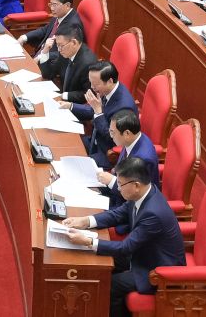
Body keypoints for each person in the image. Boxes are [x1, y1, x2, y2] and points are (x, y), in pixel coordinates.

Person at [61, 156, 186, 315]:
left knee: (112, 284)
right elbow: (117, 215)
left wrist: (88, 241)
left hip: (157, 269)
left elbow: (125, 247)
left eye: (120, 184)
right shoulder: (143, 193)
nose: (118, 188)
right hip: (142, 253)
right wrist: (85, 221)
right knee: (97, 262)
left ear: (136, 185)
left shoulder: (153, 213)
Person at [69, 60, 137, 164]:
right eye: (90, 82)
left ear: (109, 81)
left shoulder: (124, 107)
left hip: (107, 153)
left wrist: (98, 112)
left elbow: (113, 138)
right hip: (95, 140)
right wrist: (70, 106)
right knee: (67, 145)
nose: (92, 87)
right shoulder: (109, 90)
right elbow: (94, 111)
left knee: (75, 164)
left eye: (95, 84)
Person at [22, 0, 83, 80]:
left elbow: (66, 52)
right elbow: (46, 29)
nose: (52, 8)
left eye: (55, 5)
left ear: (67, 5)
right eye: (50, 4)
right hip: (39, 55)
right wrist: (24, 37)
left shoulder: (73, 26)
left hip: (50, 65)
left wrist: (42, 56)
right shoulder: (59, 14)